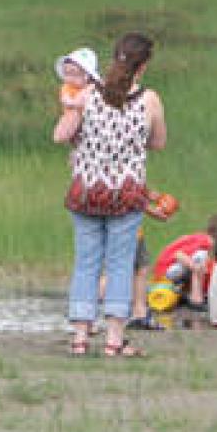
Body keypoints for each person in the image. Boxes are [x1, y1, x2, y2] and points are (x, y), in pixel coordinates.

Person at [54, 31, 167, 358]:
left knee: (86, 263)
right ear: (142, 66)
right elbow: (158, 142)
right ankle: (115, 340)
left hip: (87, 189)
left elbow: (66, 134)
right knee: (120, 265)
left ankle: (79, 337)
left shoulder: (87, 94)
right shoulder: (149, 100)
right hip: (127, 193)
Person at [158, 211, 217, 312]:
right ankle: (196, 299)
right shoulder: (204, 241)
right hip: (165, 271)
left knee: (203, 262)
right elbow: (179, 255)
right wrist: (195, 267)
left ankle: (187, 292)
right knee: (200, 257)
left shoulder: (207, 241)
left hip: (175, 270)